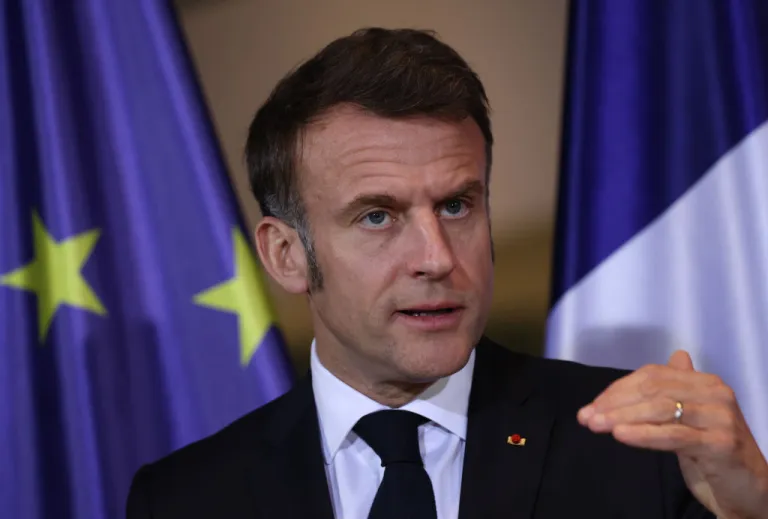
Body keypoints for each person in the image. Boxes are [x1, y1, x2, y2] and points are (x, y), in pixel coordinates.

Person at [126, 28, 768, 519]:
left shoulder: (639, 453)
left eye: (457, 205)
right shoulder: (187, 497)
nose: (438, 257)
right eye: (378, 216)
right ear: (287, 256)